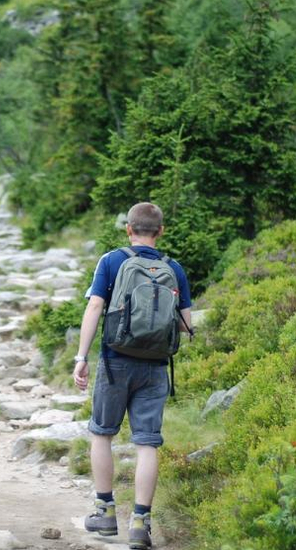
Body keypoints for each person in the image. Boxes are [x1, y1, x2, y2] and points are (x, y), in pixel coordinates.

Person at [72, 202, 193, 549]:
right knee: (147, 443)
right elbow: (187, 325)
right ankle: (141, 522)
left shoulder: (111, 261)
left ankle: (105, 512)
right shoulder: (175, 268)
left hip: (114, 361)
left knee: (102, 434)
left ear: (128, 228)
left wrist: (81, 356)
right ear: (161, 231)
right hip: (155, 367)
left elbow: (95, 306)